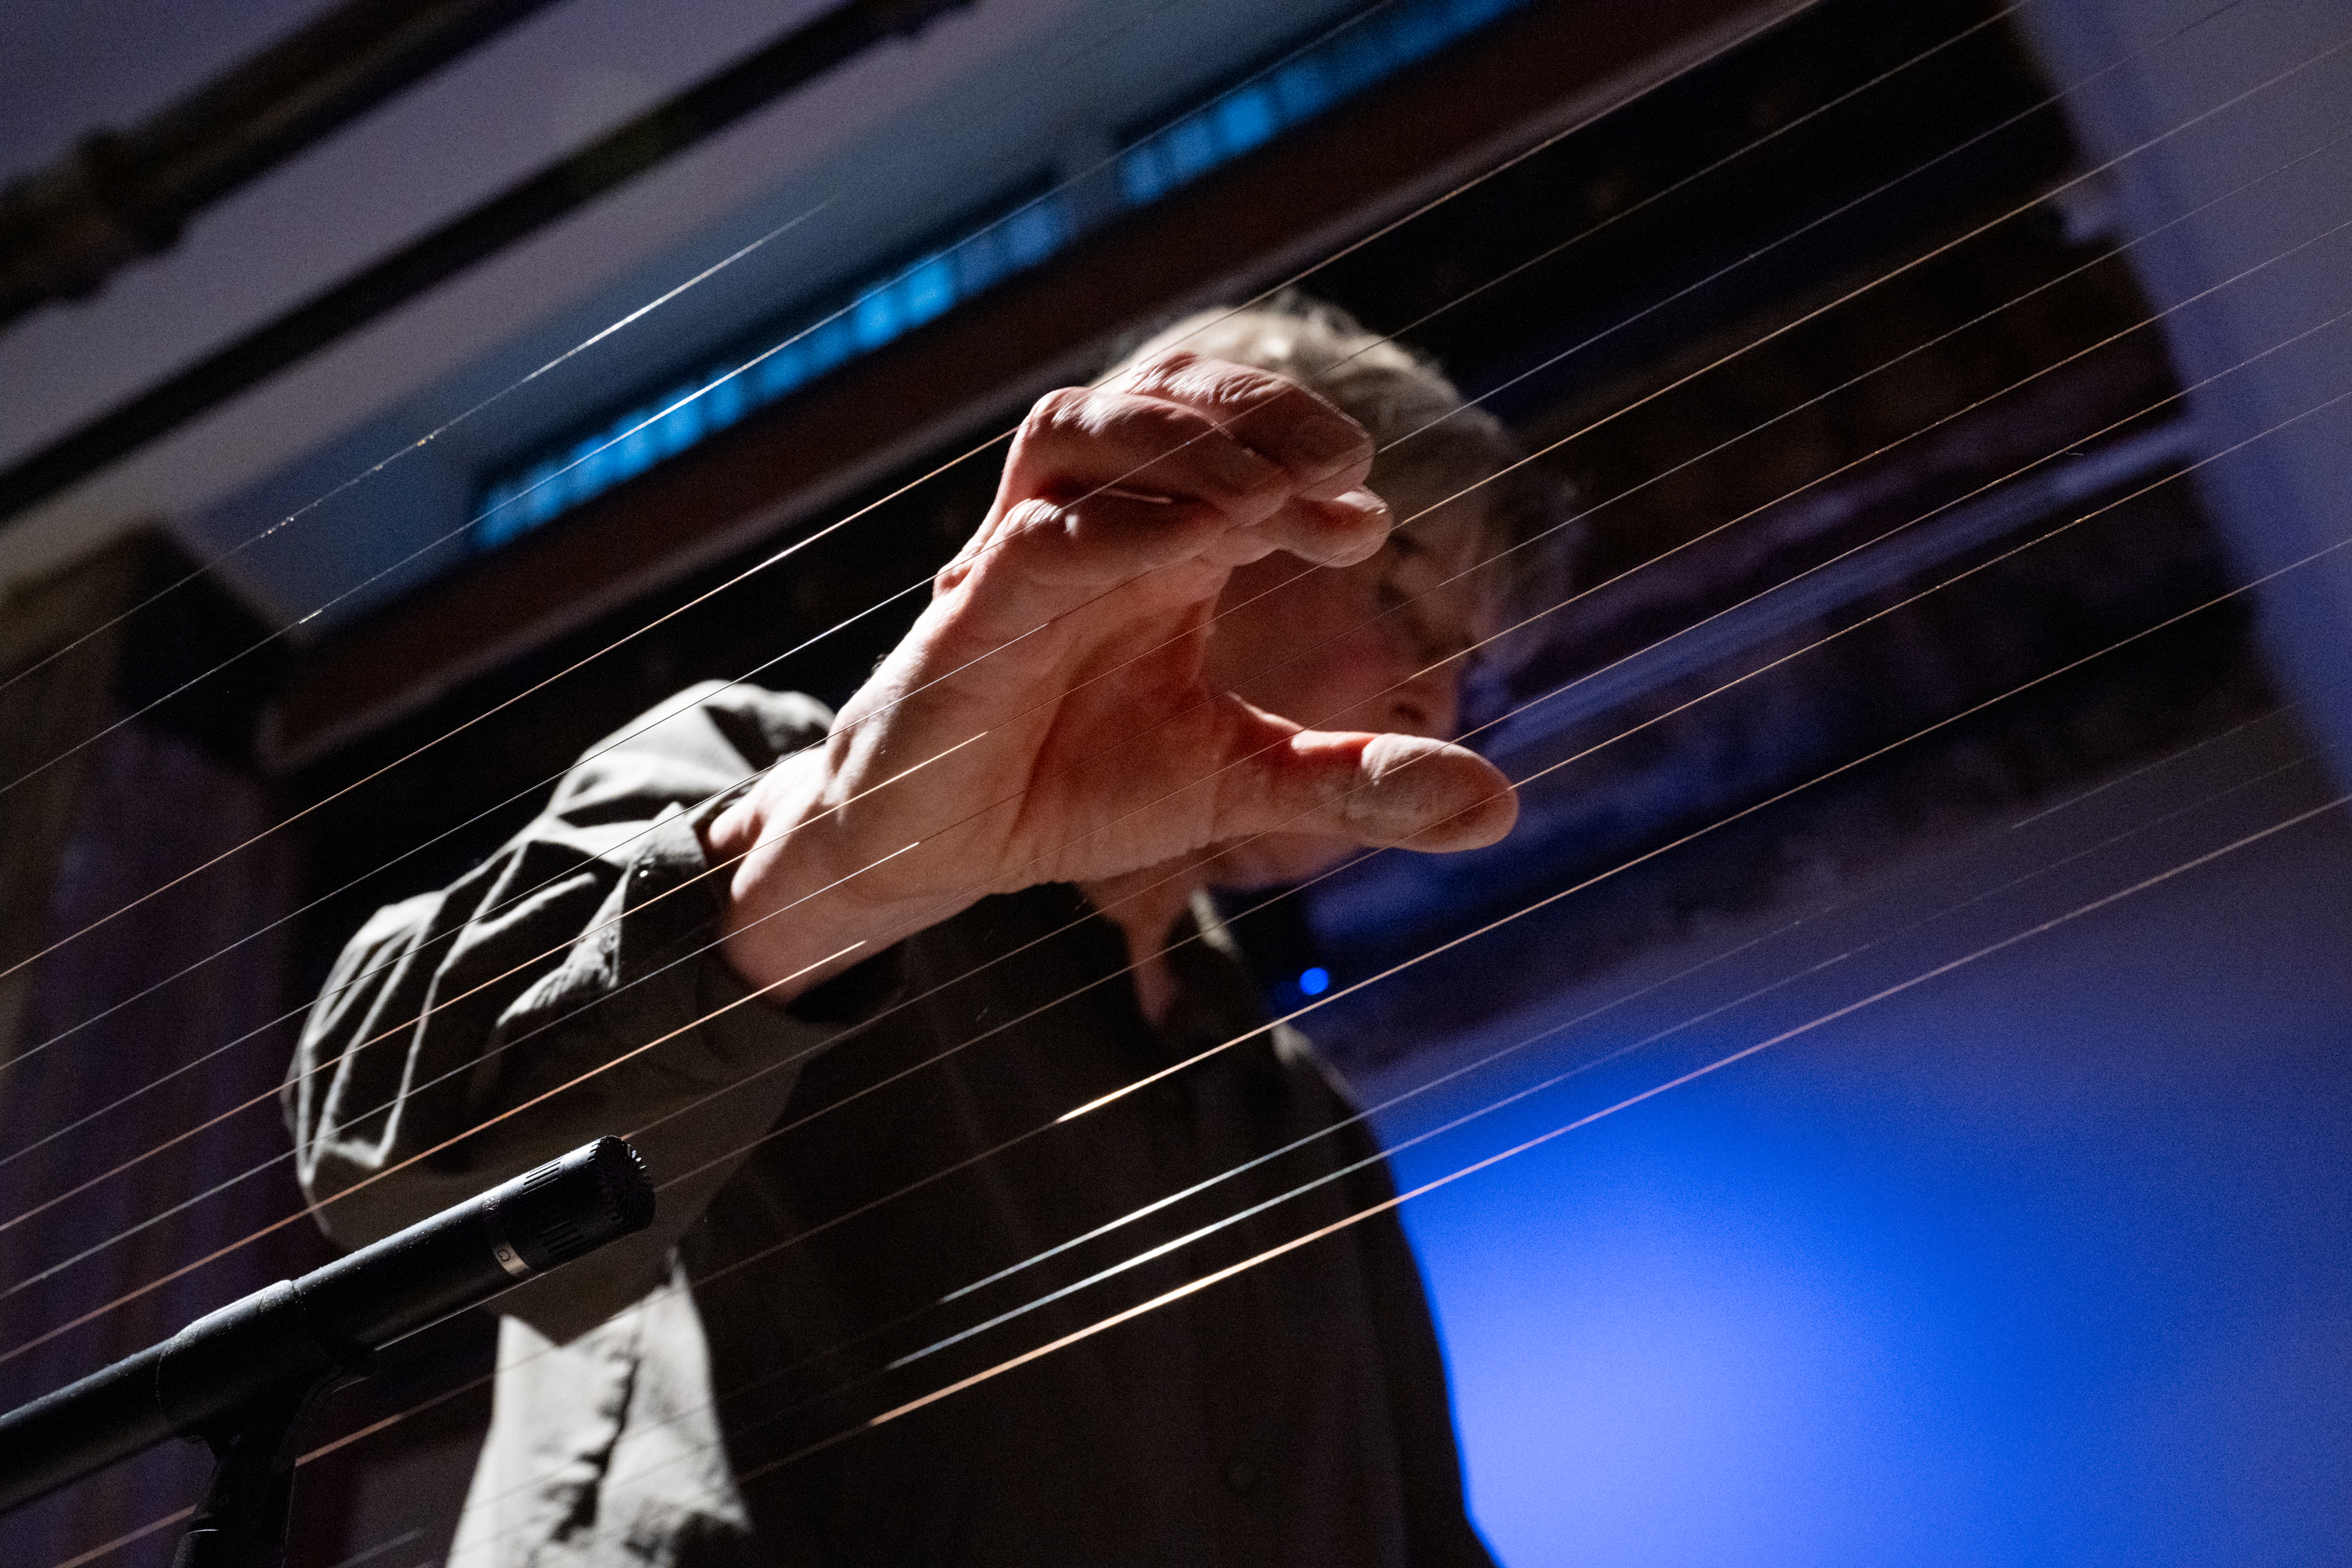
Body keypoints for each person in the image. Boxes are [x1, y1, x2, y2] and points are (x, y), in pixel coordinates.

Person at [289, 299, 1567, 1565]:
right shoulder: (766, 775)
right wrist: (835, 863)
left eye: (1472, 661)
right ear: (1186, 531)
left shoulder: (1307, 1134)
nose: (1441, 698)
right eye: (1402, 601)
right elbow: (394, 1163)